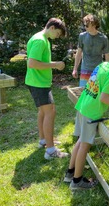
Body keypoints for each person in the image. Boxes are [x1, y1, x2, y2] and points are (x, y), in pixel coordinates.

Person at [64, 55, 109, 190]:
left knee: (81, 141)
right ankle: (77, 181)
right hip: (91, 112)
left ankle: (70, 174)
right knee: (85, 146)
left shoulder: (105, 65)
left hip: (83, 104)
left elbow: (98, 86)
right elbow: (104, 98)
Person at [25, 17, 68, 160]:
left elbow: (38, 61)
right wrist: (55, 64)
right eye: (58, 34)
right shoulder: (40, 40)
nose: (57, 37)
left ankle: (44, 140)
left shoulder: (40, 38)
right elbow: (32, 63)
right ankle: (50, 151)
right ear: (52, 28)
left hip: (38, 82)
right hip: (38, 83)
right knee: (51, 112)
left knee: (43, 113)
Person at [72, 14, 109, 138]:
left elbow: (107, 56)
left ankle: (94, 127)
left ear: (94, 24)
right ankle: (79, 129)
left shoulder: (103, 38)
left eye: (86, 25)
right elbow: (79, 53)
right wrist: (75, 69)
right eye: (84, 25)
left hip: (98, 72)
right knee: (82, 99)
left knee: (95, 98)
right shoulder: (82, 36)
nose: (85, 27)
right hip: (85, 70)